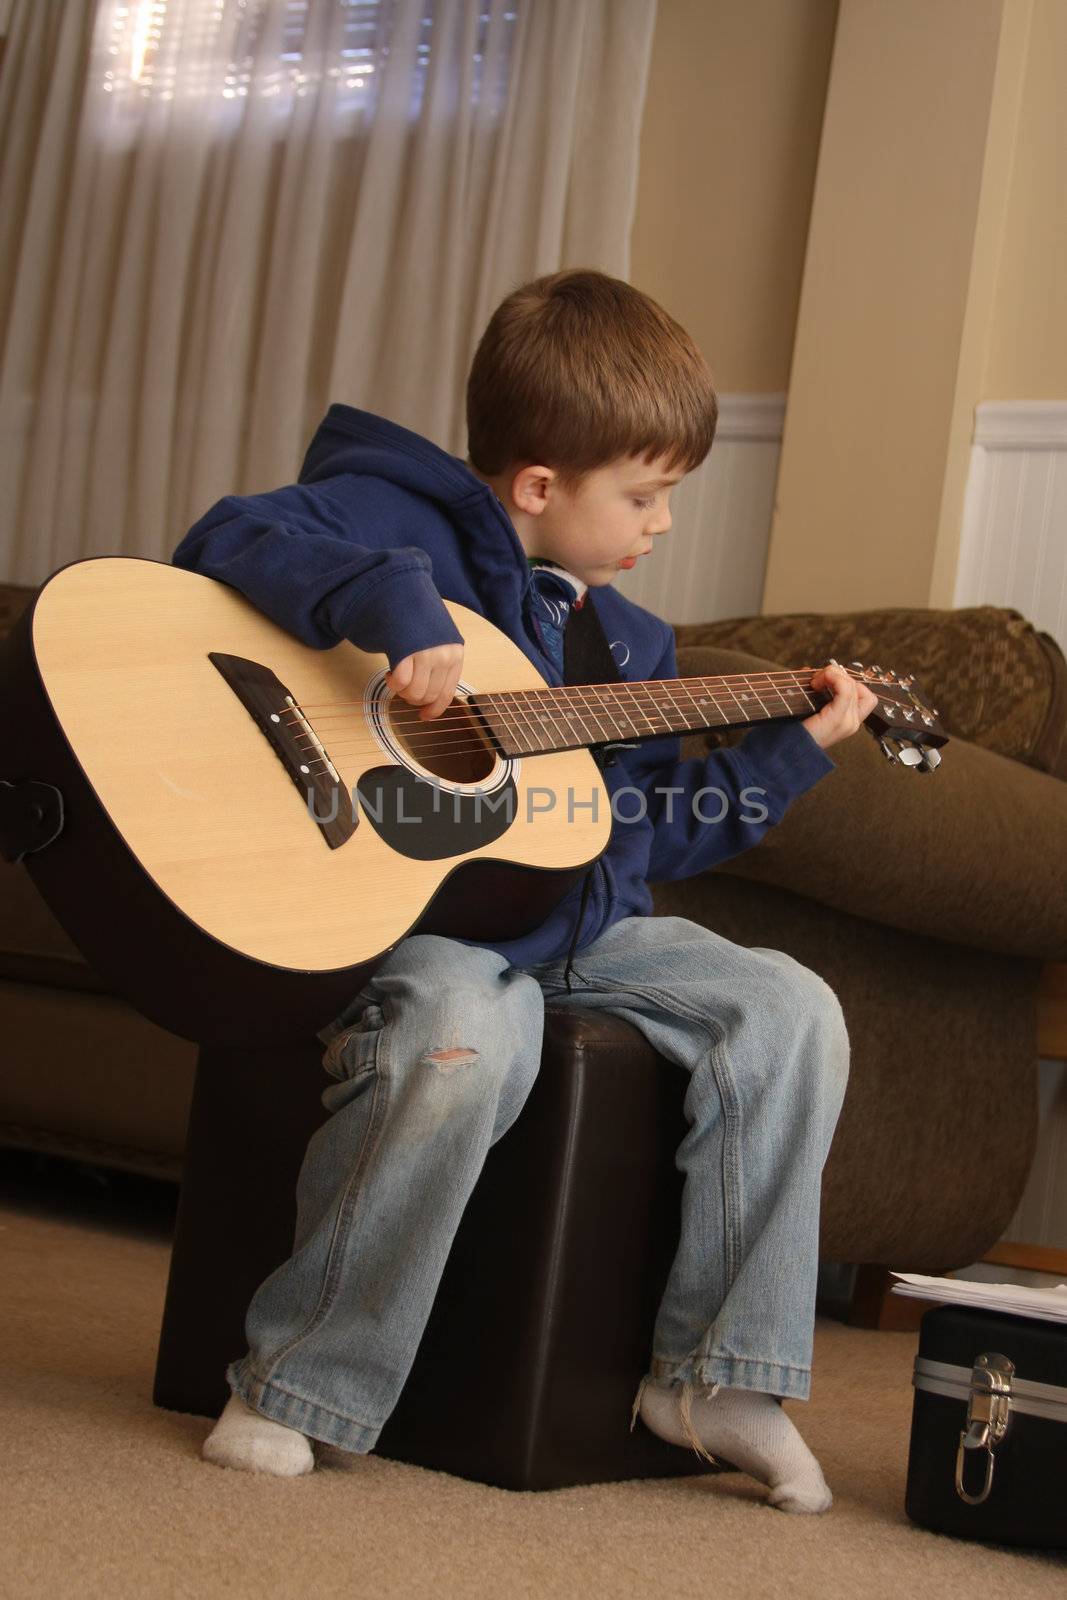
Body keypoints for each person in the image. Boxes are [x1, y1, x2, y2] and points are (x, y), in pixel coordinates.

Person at [174, 268, 878, 1512]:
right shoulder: (390, 516)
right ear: (540, 485)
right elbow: (228, 541)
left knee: (789, 1006)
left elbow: (642, 837)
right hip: (410, 921)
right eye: (644, 495)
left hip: (569, 927)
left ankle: (716, 1374)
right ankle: (299, 1381)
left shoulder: (631, 650)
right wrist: (391, 609)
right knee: (463, 1033)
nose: (659, 525)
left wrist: (783, 755)